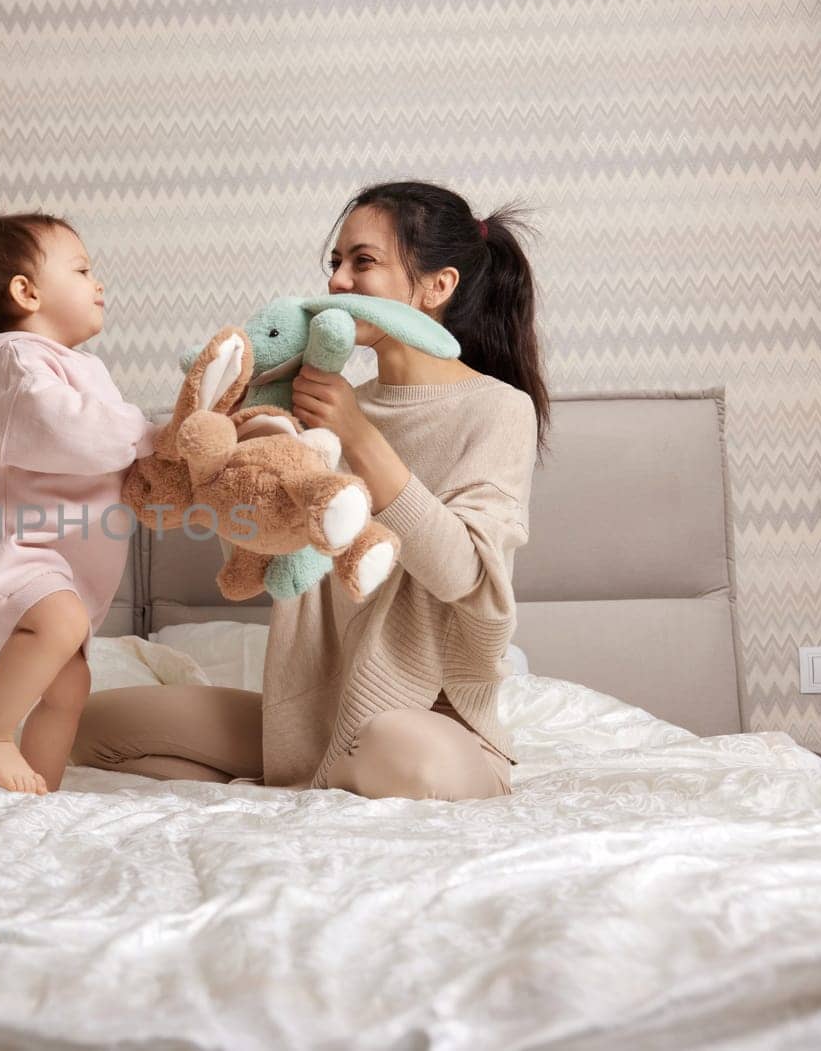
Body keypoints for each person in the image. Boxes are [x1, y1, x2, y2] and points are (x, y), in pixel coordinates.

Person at [72, 180, 551, 801]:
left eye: (364, 261)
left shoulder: (495, 409)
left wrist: (357, 434)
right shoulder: (316, 403)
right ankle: (301, 783)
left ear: (438, 287)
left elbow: (465, 575)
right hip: (316, 724)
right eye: (335, 262)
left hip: (432, 727)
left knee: (393, 746)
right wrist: (233, 451)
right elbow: (269, 555)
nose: (339, 282)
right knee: (90, 727)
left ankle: (329, 781)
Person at [0, 212, 158, 794]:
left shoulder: (75, 368)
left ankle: (36, 787)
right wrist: (155, 434)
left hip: (46, 559)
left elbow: (102, 451)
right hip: (3, 545)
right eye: (82, 269)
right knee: (62, 622)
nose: (98, 283)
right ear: (26, 292)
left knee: (70, 684)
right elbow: (69, 431)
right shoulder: (16, 361)